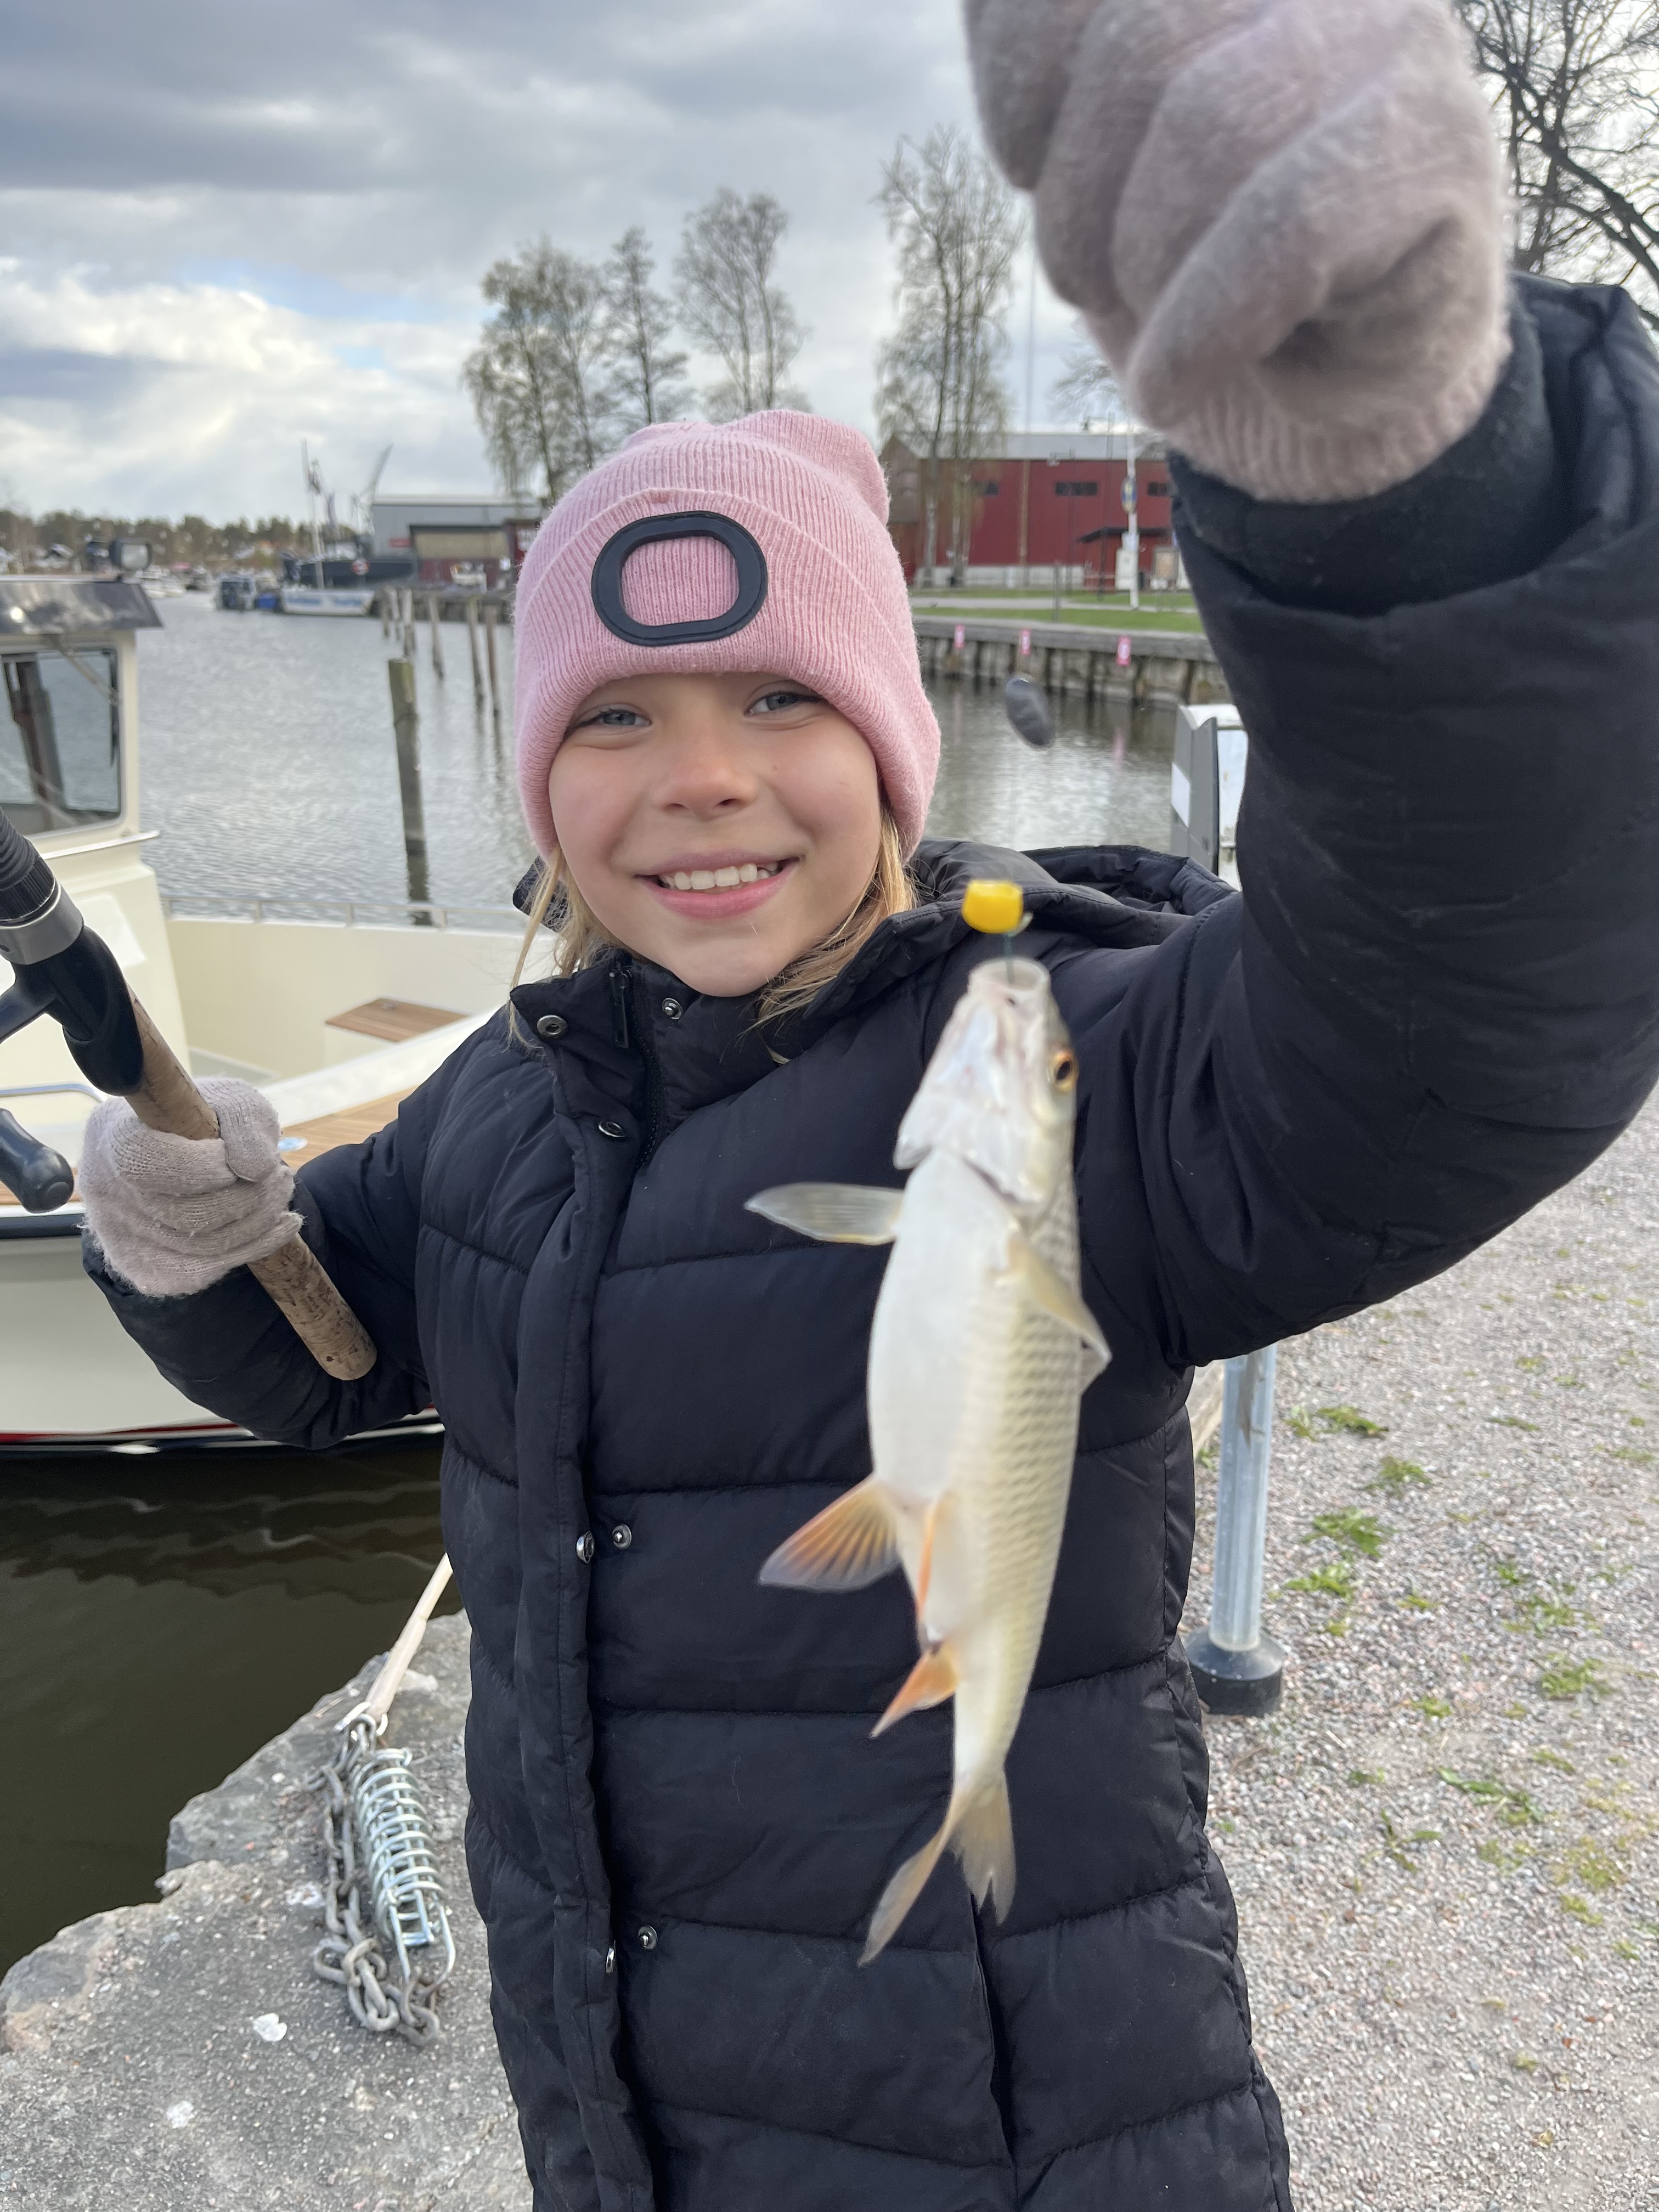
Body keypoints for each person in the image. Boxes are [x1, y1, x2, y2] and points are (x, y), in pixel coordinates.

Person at [77, 3, 1659, 2206]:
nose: (703, 777)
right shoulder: (500, 1112)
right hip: (614, 2121)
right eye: (615, 717)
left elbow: (1463, 1009)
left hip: (1032, 2144)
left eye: (779, 701)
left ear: (898, 755)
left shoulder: (1079, 1073)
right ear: (542, 782)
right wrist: (179, 1228)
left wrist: (1408, 465)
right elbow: (318, 1363)